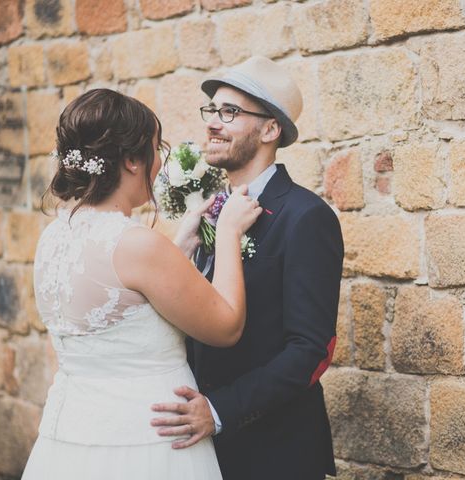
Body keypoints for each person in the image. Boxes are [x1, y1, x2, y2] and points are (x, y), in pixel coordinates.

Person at [22, 88, 261, 480]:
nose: (159, 161)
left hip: (71, 441)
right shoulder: (138, 245)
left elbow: (126, 300)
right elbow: (227, 325)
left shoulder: (54, 236)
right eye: (156, 148)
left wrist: (179, 244)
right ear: (132, 161)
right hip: (149, 445)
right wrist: (230, 232)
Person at [151, 56, 344, 479]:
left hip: (273, 453)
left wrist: (219, 411)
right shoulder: (207, 213)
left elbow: (310, 351)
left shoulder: (306, 216)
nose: (213, 123)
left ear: (270, 129)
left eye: (230, 112)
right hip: (196, 451)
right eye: (212, 111)